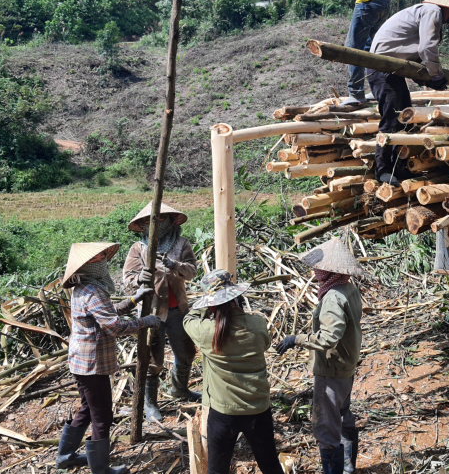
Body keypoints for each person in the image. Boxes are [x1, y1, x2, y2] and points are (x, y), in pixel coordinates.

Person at [59, 242, 160, 474]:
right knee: (102, 415)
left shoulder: (84, 288)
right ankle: (101, 470)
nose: (104, 259)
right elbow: (113, 326)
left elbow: (106, 312)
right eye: (98, 257)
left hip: (81, 361)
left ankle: (65, 456)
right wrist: (145, 322)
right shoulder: (92, 291)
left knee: (88, 408)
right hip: (92, 364)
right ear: (86, 266)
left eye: (104, 255)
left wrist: (133, 300)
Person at [367, 0, 449, 184]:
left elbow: (413, 56)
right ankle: (382, 170)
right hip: (381, 68)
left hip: (392, 70)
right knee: (392, 118)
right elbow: (427, 48)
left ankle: (397, 166)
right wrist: (436, 76)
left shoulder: (428, 12)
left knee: (405, 115)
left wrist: (426, 78)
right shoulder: (433, 12)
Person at [275, 237, 364, 474]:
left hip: (332, 369)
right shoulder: (348, 287)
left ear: (328, 269)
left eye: (318, 267)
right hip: (346, 365)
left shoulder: (334, 297)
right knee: (344, 415)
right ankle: (348, 468)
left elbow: (328, 338)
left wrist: (297, 339)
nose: (315, 270)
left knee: (327, 426)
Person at [183, 270, 285, 474]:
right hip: (258, 409)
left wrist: (204, 306)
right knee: (270, 465)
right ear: (237, 298)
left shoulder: (206, 332)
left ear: (211, 305)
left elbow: (187, 319)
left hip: (223, 413)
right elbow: (265, 344)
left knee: (217, 470)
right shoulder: (257, 324)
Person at [122, 202, 200, 422]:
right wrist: (138, 279)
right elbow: (126, 279)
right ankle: (150, 404)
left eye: (158, 220)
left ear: (169, 221)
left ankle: (180, 390)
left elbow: (192, 271)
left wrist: (173, 264)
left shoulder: (181, 244)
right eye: (148, 221)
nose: (153, 225)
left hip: (178, 310)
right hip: (151, 312)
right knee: (151, 360)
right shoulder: (139, 248)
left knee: (185, 354)